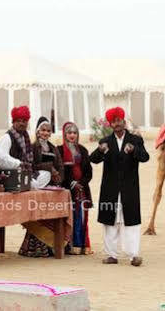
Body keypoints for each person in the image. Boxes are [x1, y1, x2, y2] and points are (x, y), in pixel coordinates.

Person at [89, 107, 149, 267]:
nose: (117, 124)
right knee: (110, 222)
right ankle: (111, 255)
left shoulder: (135, 140)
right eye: (113, 121)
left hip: (130, 188)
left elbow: (145, 157)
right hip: (110, 189)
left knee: (131, 222)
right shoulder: (105, 142)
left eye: (119, 120)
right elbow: (93, 159)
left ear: (124, 121)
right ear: (110, 124)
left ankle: (134, 255)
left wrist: (134, 150)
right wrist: (100, 151)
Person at [18, 117, 65, 257]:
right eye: (43, 130)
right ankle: (33, 249)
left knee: (49, 216)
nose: (45, 133)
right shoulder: (33, 147)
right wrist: (50, 169)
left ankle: (49, 247)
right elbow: (31, 166)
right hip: (37, 185)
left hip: (51, 188)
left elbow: (60, 167)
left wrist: (58, 179)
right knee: (37, 217)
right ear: (38, 132)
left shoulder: (53, 148)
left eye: (48, 131)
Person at [58, 122, 93, 255]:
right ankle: (69, 246)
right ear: (64, 134)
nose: (72, 135)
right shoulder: (60, 150)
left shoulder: (83, 150)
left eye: (74, 132)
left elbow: (89, 172)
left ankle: (81, 246)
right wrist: (72, 183)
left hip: (82, 190)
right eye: (69, 132)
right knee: (69, 218)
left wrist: (81, 183)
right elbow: (61, 172)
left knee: (82, 218)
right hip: (67, 191)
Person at [0, 106, 50, 189]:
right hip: (12, 174)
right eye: (18, 121)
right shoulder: (7, 138)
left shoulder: (25, 137)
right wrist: (18, 165)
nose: (21, 123)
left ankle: (30, 184)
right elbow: (1, 162)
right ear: (13, 122)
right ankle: (30, 185)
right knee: (31, 183)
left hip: (25, 173)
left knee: (46, 174)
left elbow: (30, 162)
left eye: (24, 121)